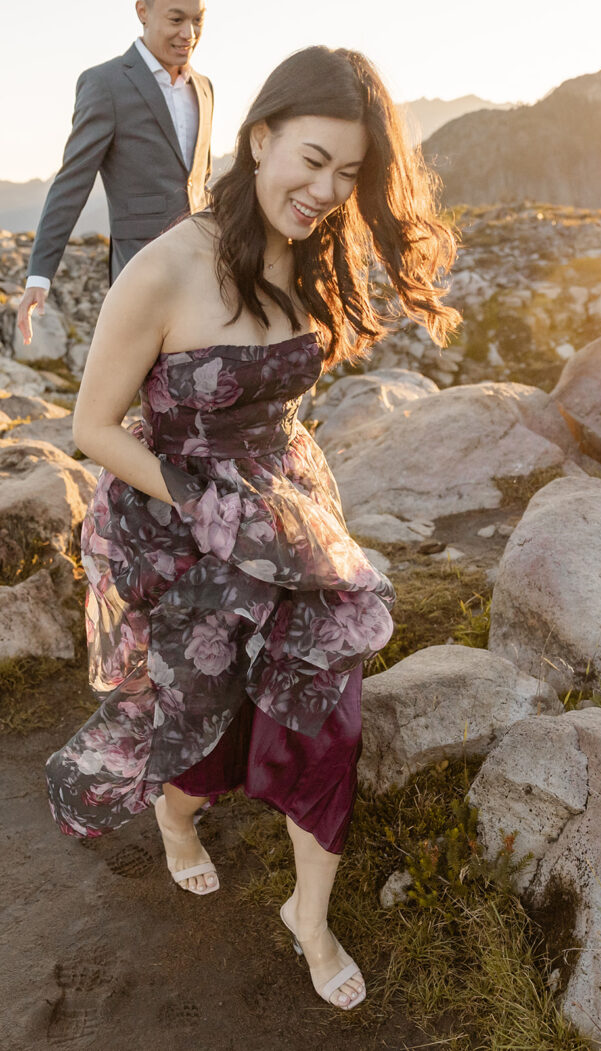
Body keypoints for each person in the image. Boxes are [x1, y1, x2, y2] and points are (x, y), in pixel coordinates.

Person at [45, 45, 460, 1011]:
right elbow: (90, 427)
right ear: (260, 137)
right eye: (311, 160)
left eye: (348, 175)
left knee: (324, 716)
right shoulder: (164, 268)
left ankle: (307, 918)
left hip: (280, 510)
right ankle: (178, 821)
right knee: (206, 733)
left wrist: (283, 491)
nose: (325, 190)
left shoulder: (309, 250)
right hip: (177, 524)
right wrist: (206, 503)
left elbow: (271, 392)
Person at [17, 0, 212, 345]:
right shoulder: (104, 83)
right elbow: (72, 182)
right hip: (140, 270)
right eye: (177, 19)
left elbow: (201, 181)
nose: (190, 34)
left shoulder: (205, 88)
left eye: (198, 20)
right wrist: (39, 276)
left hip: (203, 269)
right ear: (142, 12)